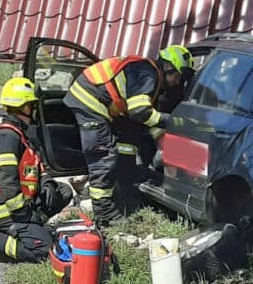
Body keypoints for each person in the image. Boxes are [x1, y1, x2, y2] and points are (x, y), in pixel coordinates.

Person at [64, 44, 193, 224]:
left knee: (128, 141)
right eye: (177, 76)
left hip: (96, 99)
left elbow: (143, 119)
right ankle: (104, 214)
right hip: (90, 101)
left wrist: (161, 139)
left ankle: (123, 185)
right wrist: (173, 121)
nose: (177, 82)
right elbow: (139, 111)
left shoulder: (151, 76)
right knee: (104, 157)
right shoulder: (148, 75)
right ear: (168, 67)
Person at [0, 77, 74, 262]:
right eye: (33, 106)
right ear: (25, 108)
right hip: (5, 208)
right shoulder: (6, 139)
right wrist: (25, 215)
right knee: (44, 252)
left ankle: (30, 229)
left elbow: (35, 167)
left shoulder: (21, 134)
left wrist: (47, 182)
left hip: (21, 202)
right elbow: (7, 183)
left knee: (63, 192)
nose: (35, 110)